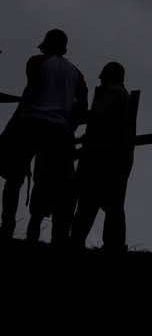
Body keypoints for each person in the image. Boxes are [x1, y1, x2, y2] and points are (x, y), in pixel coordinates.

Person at [0, 29, 88, 242]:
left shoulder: (36, 62)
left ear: (46, 46)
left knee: (14, 178)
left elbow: (29, 95)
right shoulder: (76, 73)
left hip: (30, 123)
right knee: (55, 181)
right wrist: (69, 126)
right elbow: (83, 107)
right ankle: (55, 234)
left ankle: (7, 226)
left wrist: (10, 128)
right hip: (58, 131)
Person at [70, 62, 134, 251]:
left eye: (104, 75)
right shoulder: (123, 95)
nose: (101, 79)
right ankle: (113, 245)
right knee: (112, 204)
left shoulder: (112, 93)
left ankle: (77, 240)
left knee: (89, 201)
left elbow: (96, 116)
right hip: (114, 158)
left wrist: (76, 114)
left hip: (101, 158)